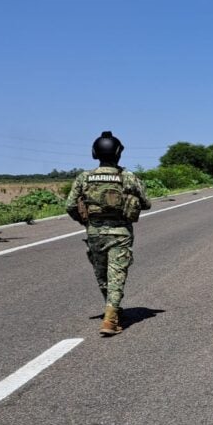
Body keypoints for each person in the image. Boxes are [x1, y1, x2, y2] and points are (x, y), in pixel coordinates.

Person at [65, 131, 151, 335]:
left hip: (94, 233)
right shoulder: (127, 177)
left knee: (102, 274)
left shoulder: (84, 177)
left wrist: (84, 221)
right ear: (118, 153)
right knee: (117, 274)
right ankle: (111, 318)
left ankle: (112, 309)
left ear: (95, 153)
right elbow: (146, 203)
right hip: (120, 233)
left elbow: (70, 205)